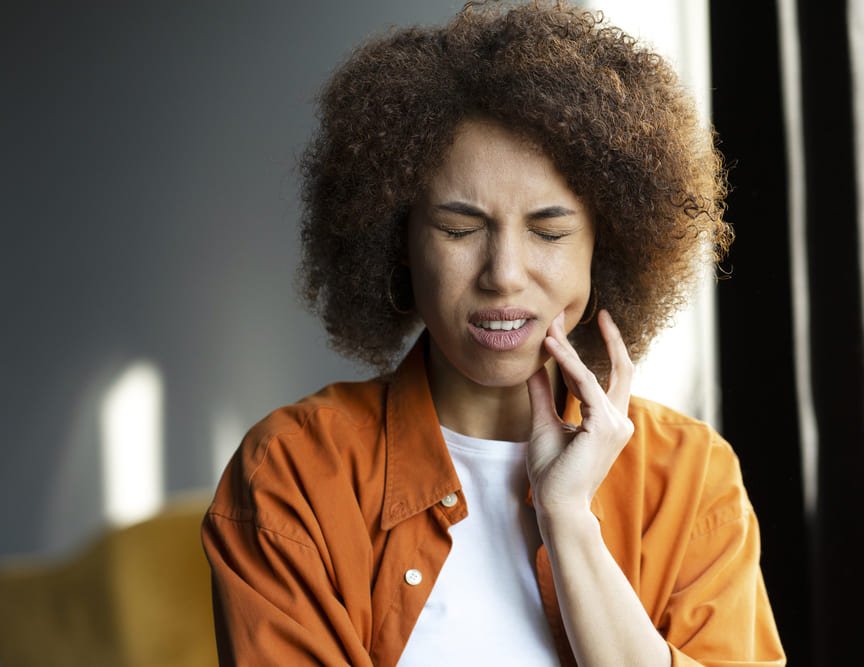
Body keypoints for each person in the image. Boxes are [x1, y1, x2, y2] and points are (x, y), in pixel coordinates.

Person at [201, 2, 786, 665]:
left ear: (607, 245)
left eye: (549, 230)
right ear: (398, 239)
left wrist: (568, 519)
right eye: (459, 227)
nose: (504, 275)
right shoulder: (296, 473)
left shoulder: (689, 481)